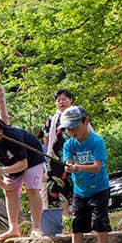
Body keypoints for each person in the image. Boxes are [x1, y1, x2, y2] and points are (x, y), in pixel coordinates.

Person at [0, 114, 45, 241]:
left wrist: (3, 170)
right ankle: (13, 228)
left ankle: (36, 227)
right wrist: (2, 184)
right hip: (11, 164)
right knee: (9, 191)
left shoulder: (13, 135)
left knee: (32, 189)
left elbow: (24, 164)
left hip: (33, 159)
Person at [60, 106, 111, 243]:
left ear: (86, 121)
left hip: (99, 188)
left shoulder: (97, 141)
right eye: (68, 128)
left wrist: (80, 167)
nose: (72, 131)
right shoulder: (69, 144)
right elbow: (68, 161)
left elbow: (97, 166)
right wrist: (69, 166)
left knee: (99, 220)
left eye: (75, 127)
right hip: (79, 191)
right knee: (77, 221)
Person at [41, 89, 75, 217]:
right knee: (56, 188)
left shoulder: (77, 115)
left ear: (70, 100)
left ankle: (78, 217)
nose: (61, 102)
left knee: (77, 185)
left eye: (64, 99)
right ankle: (64, 218)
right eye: (58, 100)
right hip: (55, 159)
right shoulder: (52, 119)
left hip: (75, 156)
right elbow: (45, 137)